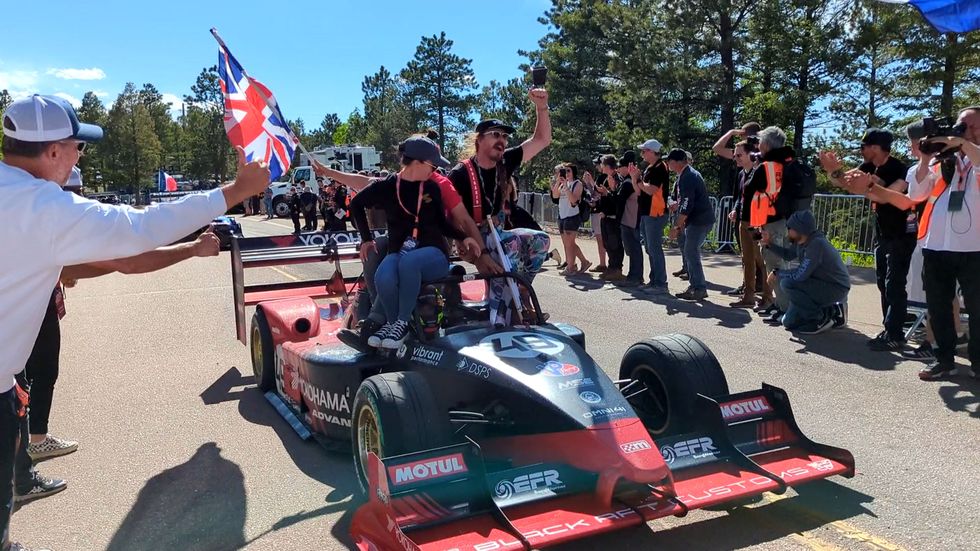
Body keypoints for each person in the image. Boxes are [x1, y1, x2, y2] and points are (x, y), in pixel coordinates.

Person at [0, 94, 269, 551]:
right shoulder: (41, 206)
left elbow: (98, 260)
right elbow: (141, 227)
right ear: (52, 152)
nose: (79, 156)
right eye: (77, 147)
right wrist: (235, 191)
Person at [843, 106, 980, 381]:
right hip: (937, 245)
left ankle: (977, 362)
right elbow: (917, 193)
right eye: (960, 126)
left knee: (977, 308)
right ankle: (944, 359)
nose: (963, 130)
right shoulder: (944, 160)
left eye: (970, 126)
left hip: (973, 247)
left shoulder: (974, 157)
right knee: (938, 306)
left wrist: (964, 143)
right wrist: (926, 158)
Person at [349, 137, 480, 349]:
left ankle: (402, 323)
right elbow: (356, 204)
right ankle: (394, 325)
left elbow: (441, 223)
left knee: (409, 263)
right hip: (400, 252)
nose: (435, 170)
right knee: (383, 275)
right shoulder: (388, 186)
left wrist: (463, 236)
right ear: (417, 162)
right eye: (433, 165)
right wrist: (366, 239)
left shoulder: (432, 188)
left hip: (433, 254)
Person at [446, 88, 552, 325]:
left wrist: (541, 107)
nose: (502, 141)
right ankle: (505, 315)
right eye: (495, 135)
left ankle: (521, 294)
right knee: (511, 244)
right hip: (472, 238)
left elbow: (542, 140)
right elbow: (451, 215)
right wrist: (462, 241)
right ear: (479, 140)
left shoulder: (506, 161)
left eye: (505, 137)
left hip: (498, 233)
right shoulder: (461, 173)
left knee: (540, 240)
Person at [820, 130, 914, 351]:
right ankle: (888, 328)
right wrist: (834, 171)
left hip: (902, 233)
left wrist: (865, 187)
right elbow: (845, 183)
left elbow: (885, 195)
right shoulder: (869, 167)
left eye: (863, 147)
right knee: (883, 283)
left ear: (876, 147)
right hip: (883, 233)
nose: (861, 152)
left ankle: (895, 333)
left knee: (894, 285)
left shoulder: (899, 168)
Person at [746, 126, 804, 322]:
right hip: (785, 220)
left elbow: (749, 187)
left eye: (761, 141)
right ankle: (781, 305)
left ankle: (784, 308)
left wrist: (754, 167)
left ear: (767, 144)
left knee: (775, 265)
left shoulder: (766, 167)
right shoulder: (785, 164)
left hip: (771, 221)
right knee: (784, 265)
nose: (758, 144)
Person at [762, 210, 851, 334]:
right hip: (817, 283)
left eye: (789, 228)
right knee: (788, 322)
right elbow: (788, 255)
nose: (788, 231)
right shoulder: (802, 241)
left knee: (787, 283)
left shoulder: (816, 244)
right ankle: (833, 309)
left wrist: (778, 272)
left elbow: (800, 276)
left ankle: (820, 317)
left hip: (835, 287)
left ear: (799, 228)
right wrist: (769, 244)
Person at [667, 149, 716, 300]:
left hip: (699, 221)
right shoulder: (686, 175)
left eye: (669, 161)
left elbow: (687, 204)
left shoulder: (688, 176)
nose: (668, 164)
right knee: (690, 251)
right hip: (696, 220)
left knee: (690, 251)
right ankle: (695, 286)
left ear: (677, 162)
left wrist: (676, 226)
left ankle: (699, 288)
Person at [728, 140, 771, 309]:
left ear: (750, 155)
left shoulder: (759, 171)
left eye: (739, 155)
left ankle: (767, 297)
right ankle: (748, 296)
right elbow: (741, 197)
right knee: (746, 260)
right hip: (744, 222)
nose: (736, 158)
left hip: (757, 222)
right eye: (734, 155)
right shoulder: (741, 174)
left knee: (761, 260)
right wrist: (735, 210)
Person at [628, 139, 670, 295]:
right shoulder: (650, 168)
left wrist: (638, 179)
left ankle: (660, 283)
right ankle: (654, 281)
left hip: (655, 213)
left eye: (644, 151)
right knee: (650, 249)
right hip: (647, 213)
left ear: (652, 151)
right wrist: (634, 177)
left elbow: (651, 190)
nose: (642, 154)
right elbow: (639, 191)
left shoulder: (660, 167)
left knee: (654, 249)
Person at [550, 163, 591, 276]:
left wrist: (567, 188)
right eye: (564, 171)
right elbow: (555, 196)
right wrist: (559, 181)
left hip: (572, 216)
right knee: (568, 243)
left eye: (568, 171)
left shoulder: (577, 184)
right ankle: (583, 262)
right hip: (562, 216)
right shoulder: (564, 183)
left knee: (570, 244)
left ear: (573, 172)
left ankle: (571, 267)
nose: (566, 173)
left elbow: (574, 200)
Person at [593, 155, 626, 282]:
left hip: (614, 217)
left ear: (607, 165)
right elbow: (605, 197)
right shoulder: (607, 178)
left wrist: (608, 192)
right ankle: (611, 268)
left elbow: (617, 199)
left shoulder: (618, 178)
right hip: (605, 216)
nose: (600, 166)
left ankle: (617, 269)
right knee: (607, 244)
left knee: (615, 244)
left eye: (602, 164)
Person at [615, 153, 644, 287]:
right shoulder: (629, 181)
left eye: (620, 167)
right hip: (630, 219)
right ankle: (635, 275)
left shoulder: (628, 182)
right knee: (633, 249)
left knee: (633, 249)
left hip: (630, 220)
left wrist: (617, 220)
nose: (618, 169)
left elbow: (620, 202)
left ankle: (635, 276)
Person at [582, 157, 607, 272]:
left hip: (600, 211)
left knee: (600, 238)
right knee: (599, 238)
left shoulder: (603, 177)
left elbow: (597, 193)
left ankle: (603, 264)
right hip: (597, 210)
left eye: (598, 164)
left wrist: (589, 182)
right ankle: (602, 263)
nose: (597, 166)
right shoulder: (601, 177)